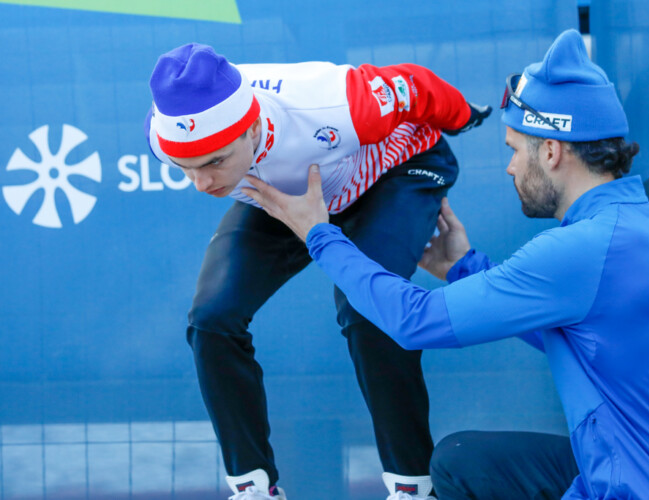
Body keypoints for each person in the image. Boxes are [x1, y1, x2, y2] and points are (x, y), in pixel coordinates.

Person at [246, 29, 649, 499]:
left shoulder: (583, 249)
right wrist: (461, 266)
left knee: (459, 463)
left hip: (640, 487)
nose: (508, 167)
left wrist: (319, 234)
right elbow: (586, 337)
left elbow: (415, 321)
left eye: (513, 150)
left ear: (550, 151)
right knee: (465, 461)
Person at [144, 43, 491, 500]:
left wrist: (464, 114)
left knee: (370, 311)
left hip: (392, 174)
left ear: (251, 128)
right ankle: (253, 487)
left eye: (213, 162)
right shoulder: (163, 129)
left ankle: (414, 486)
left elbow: (416, 86)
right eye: (185, 168)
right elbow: (204, 160)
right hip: (288, 197)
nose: (204, 184)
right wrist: (218, 165)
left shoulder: (335, 102)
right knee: (211, 319)